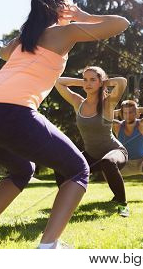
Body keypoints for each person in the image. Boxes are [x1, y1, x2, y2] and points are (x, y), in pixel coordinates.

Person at [0, 0, 129, 248]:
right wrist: (83, 16)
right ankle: (49, 247)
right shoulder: (64, 32)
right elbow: (121, 24)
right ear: (60, 7)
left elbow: (3, 53)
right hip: (11, 109)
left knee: (22, 169)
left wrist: (33, 28)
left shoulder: (25, 39)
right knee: (78, 169)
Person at [55, 67, 130, 216]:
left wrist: (102, 82)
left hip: (115, 152)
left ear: (101, 82)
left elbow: (122, 82)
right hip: (92, 155)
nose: (88, 83)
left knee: (107, 162)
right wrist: (83, 82)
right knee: (60, 165)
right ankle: (66, 203)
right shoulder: (78, 102)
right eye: (85, 79)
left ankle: (122, 204)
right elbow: (58, 82)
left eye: (92, 80)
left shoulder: (108, 103)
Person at [113, 100, 143, 200]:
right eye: (125, 113)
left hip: (142, 162)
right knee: (107, 163)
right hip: (125, 163)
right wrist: (120, 111)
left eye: (131, 112)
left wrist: (137, 109)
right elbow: (103, 117)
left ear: (137, 113)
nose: (128, 115)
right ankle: (118, 195)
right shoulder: (117, 126)